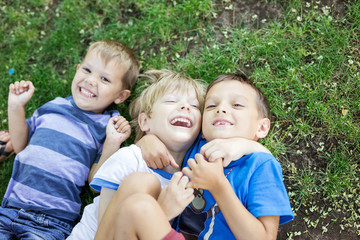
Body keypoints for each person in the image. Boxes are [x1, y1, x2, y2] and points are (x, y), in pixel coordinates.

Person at [98, 73, 294, 240]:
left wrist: (219, 186)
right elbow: (171, 133)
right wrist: (147, 141)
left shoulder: (261, 165)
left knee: (139, 207)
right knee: (138, 186)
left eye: (237, 105)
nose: (221, 109)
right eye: (210, 106)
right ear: (201, 128)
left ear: (261, 127)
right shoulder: (198, 147)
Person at [0, 39, 139, 239]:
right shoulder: (52, 106)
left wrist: (112, 143)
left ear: (121, 96)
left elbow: (94, 182)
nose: (91, 81)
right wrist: (15, 106)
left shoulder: (106, 126)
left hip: (50, 223)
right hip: (9, 209)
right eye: (87, 70)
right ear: (77, 69)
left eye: (105, 79)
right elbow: (21, 145)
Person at [67, 69, 207, 239]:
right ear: (144, 121)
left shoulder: (194, 173)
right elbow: (106, 233)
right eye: (171, 100)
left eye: (195, 106)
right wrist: (164, 210)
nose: (186, 107)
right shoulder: (130, 160)